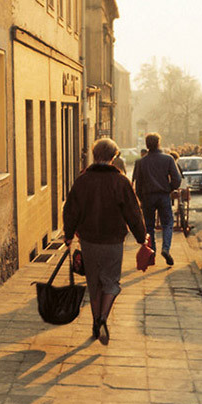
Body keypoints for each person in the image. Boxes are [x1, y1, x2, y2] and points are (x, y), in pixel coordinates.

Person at [63, 138, 148, 345]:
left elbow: (71, 209)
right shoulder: (120, 181)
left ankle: (95, 323)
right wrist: (141, 237)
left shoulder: (83, 180)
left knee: (94, 283)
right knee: (111, 282)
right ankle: (102, 318)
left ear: (94, 155)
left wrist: (68, 234)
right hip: (113, 240)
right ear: (114, 156)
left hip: (89, 239)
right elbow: (133, 212)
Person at [132, 132, 181, 265]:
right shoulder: (168, 159)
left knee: (149, 226)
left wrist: (141, 198)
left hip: (148, 196)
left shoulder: (141, 162)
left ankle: (151, 252)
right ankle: (165, 248)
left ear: (147, 145)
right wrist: (169, 188)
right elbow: (177, 179)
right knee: (167, 223)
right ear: (159, 143)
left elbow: (138, 183)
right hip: (163, 195)